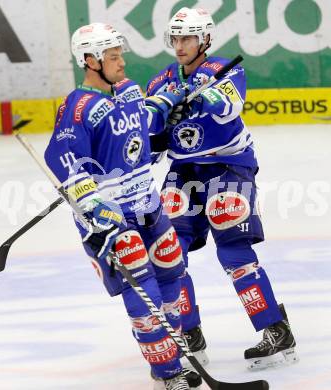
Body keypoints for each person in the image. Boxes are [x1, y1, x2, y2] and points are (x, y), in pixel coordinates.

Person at [44, 22, 203, 390]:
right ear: (90, 60)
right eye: (113, 57)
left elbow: (144, 124)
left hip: (149, 206)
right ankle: (167, 373)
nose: (121, 63)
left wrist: (166, 107)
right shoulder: (77, 107)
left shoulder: (129, 91)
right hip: (113, 217)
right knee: (142, 290)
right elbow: (63, 158)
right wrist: (92, 203)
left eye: (120, 55)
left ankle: (174, 356)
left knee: (172, 277)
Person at [146, 7, 298, 370]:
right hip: (184, 170)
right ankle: (188, 333)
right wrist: (162, 122)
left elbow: (228, 106)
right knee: (168, 252)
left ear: (205, 40)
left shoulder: (226, 70)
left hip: (229, 163)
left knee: (232, 247)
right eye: (177, 38)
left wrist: (193, 96)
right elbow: (152, 141)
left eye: (188, 38)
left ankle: (275, 330)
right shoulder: (158, 83)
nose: (180, 45)